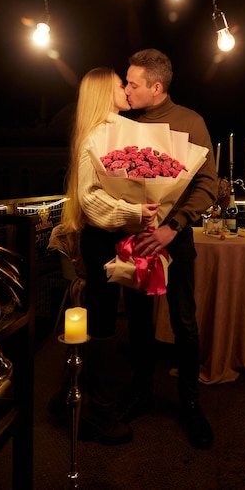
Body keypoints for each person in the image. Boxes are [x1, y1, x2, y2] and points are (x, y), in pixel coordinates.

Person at [119, 48, 218, 450]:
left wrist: (173, 227)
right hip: (137, 239)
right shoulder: (123, 123)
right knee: (138, 322)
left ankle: (190, 403)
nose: (126, 89)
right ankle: (142, 393)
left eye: (132, 83)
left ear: (156, 88)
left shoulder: (190, 121)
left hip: (176, 238)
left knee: (184, 323)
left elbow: (208, 185)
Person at [58, 66, 160, 445]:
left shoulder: (115, 130)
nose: (126, 89)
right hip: (102, 238)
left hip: (120, 238)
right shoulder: (97, 136)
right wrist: (133, 212)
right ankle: (94, 416)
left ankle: (86, 400)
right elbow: (88, 198)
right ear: (105, 91)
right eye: (121, 84)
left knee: (111, 321)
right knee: (101, 325)